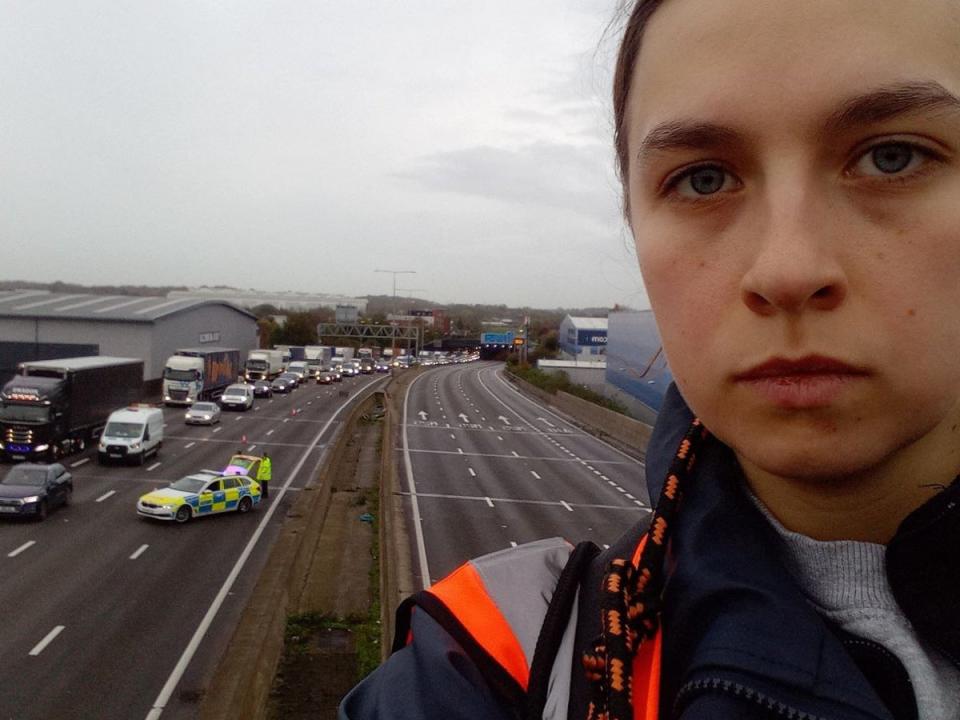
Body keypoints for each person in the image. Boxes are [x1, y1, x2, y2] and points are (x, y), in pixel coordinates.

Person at [340, 1, 960, 718]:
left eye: (894, 156)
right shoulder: (489, 670)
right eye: (702, 178)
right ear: (635, 222)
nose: (787, 269)